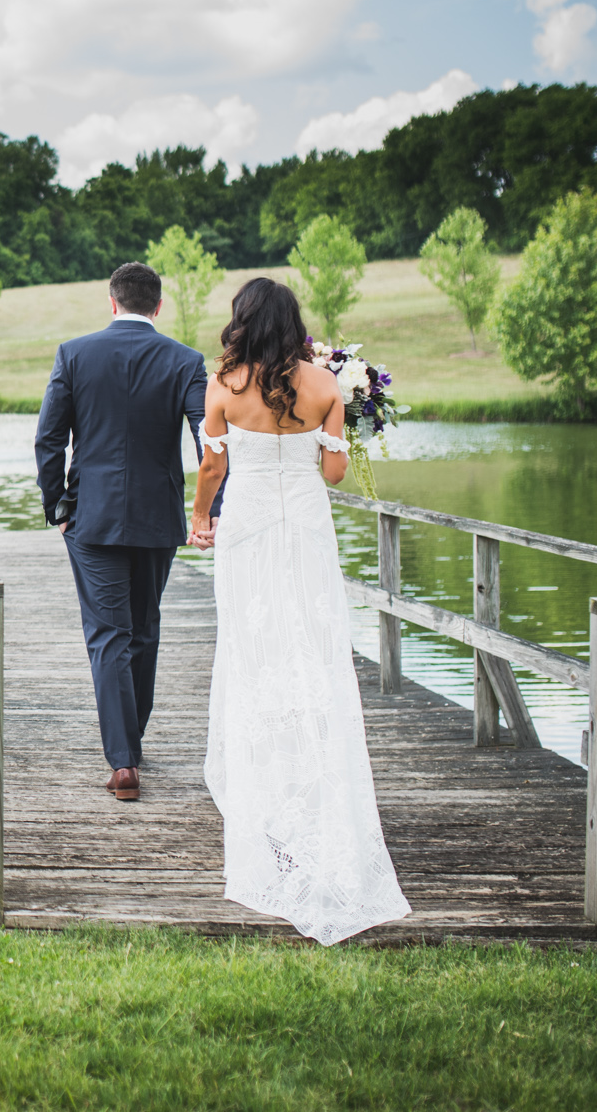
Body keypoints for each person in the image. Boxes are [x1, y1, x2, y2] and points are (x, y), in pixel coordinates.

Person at [189, 276, 410, 944]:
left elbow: (210, 466)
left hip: (248, 528)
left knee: (253, 649)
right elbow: (335, 475)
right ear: (296, 325)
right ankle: (315, 778)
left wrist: (201, 518)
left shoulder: (224, 383)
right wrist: (330, 436)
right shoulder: (324, 387)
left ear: (242, 321)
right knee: (311, 648)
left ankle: (263, 793)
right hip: (307, 530)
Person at [35, 261, 208, 802]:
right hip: (159, 519)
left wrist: (57, 504)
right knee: (144, 628)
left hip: (92, 517)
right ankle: (131, 741)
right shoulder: (186, 360)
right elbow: (211, 443)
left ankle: (123, 760)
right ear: (158, 307)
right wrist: (212, 507)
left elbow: (48, 440)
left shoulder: (75, 354)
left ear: (113, 303)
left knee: (108, 634)